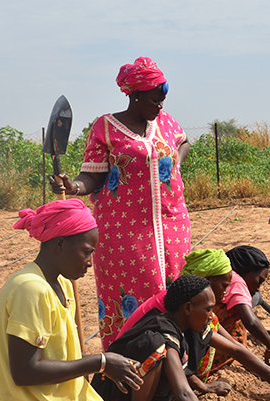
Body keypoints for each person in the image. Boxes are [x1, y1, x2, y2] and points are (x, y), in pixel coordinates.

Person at [0, 199, 172, 401]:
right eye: (87, 252)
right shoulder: (30, 290)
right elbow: (24, 372)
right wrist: (101, 362)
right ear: (60, 244)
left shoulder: (60, 284)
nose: (91, 261)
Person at [49, 56, 192, 350]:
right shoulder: (106, 128)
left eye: (163, 100)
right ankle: (133, 362)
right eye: (155, 100)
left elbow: (183, 142)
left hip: (172, 224)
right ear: (135, 95)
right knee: (137, 296)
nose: (160, 106)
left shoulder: (164, 122)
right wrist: (73, 187)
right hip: (125, 233)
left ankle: (178, 360)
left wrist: (175, 162)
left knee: (177, 292)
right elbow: (92, 176)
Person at [93, 275, 270, 401]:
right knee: (156, 350)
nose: (212, 316)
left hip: (135, 399)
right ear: (188, 308)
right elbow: (183, 394)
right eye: (208, 309)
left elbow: (236, 350)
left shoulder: (190, 326)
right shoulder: (163, 334)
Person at [115, 250, 270, 392]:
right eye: (223, 286)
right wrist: (203, 388)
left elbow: (234, 347)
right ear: (208, 280)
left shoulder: (192, 306)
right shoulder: (174, 309)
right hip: (129, 381)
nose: (226, 293)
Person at [215, 245, 270, 367]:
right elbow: (251, 322)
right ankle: (230, 361)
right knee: (238, 320)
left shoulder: (223, 275)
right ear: (246, 272)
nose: (258, 289)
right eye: (259, 281)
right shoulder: (237, 282)